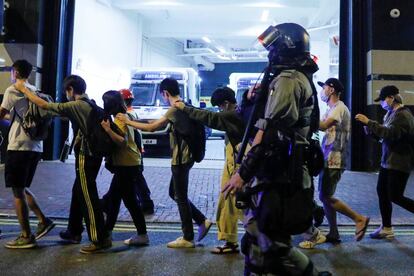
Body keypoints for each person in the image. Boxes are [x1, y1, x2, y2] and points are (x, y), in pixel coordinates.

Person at [223, 23, 330, 275]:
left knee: (270, 244)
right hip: (281, 171)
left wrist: (244, 173)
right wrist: (250, 99)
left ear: (285, 47)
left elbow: (271, 131)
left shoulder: (288, 81)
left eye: (272, 47)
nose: (269, 53)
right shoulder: (294, 77)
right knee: (259, 241)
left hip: (278, 173)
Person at [17, 75, 111, 254]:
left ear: (71, 90)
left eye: (66, 91)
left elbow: (46, 106)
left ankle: (99, 239)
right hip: (93, 156)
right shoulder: (90, 104)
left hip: (86, 156)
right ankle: (73, 231)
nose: (65, 95)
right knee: (78, 191)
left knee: (88, 196)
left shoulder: (77, 105)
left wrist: (24, 90)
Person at [117, 78, 212, 248]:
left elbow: (153, 128)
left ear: (165, 93)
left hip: (181, 158)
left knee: (180, 196)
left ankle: (187, 237)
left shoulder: (174, 109)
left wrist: (127, 121)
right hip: (187, 157)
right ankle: (202, 221)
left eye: (162, 95)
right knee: (174, 192)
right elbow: (157, 125)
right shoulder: (183, 105)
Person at [174, 87, 245, 254]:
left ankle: (264, 242)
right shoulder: (236, 111)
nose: (220, 110)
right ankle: (230, 241)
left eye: (220, 106)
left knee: (245, 206)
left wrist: (184, 108)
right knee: (226, 201)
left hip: (239, 167)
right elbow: (208, 113)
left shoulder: (232, 114)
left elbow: (208, 117)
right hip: (232, 164)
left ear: (226, 104)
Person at [300, 78, 370, 249]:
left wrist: (304, 115)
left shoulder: (339, 108)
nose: (322, 91)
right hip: (328, 156)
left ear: (331, 90)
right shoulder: (332, 108)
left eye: (324, 87)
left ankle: (358, 219)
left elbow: (323, 126)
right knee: (325, 197)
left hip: (335, 158)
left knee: (326, 196)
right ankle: (333, 232)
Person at [0, 59, 55, 249]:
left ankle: (26, 235)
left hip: (18, 146)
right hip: (35, 146)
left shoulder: (13, 89)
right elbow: (18, 115)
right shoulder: (34, 90)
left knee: (17, 192)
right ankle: (43, 220)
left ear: (15, 72)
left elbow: (1, 114)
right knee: (21, 188)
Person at [356, 85, 414, 239]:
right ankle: (386, 227)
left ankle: (387, 227)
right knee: (382, 192)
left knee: (395, 196)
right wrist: (372, 133)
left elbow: (391, 133)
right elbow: (385, 138)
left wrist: (369, 122)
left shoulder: (403, 115)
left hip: (400, 162)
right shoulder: (390, 114)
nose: (382, 103)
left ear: (391, 98)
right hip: (387, 162)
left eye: (383, 99)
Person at [100, 90, 149, 246]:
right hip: (129, 163)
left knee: (124, 201)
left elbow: (122, 141)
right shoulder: (124, 115)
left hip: (126, 164)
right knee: (120, 200)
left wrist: (107, 130)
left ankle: (140, 235)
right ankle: (108, 233)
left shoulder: (120, 118)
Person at [119, 88, 154, 215]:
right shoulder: (133, 113)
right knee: (135, 179)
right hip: (137, 151)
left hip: (131, 153)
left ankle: (146, 204)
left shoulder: (125, 116)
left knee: (136, 179)